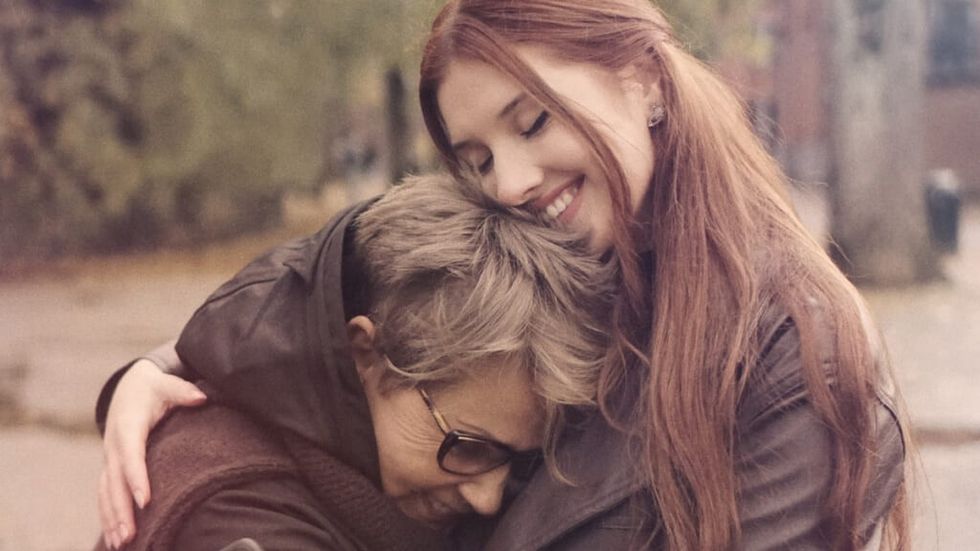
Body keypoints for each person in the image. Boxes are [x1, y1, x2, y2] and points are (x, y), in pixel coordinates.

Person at [97, 1, 911, 549]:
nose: (511, 183)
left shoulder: (790, 359)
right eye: (478, 158)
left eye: (533, 120)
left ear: (643, 79)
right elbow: (336, 287)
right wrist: (166, 371)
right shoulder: (557, 260)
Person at [94, 173, 614, 550]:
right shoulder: (235, 516)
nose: (489, 498)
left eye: (519, 463)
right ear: (365, 354)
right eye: (470, 448)